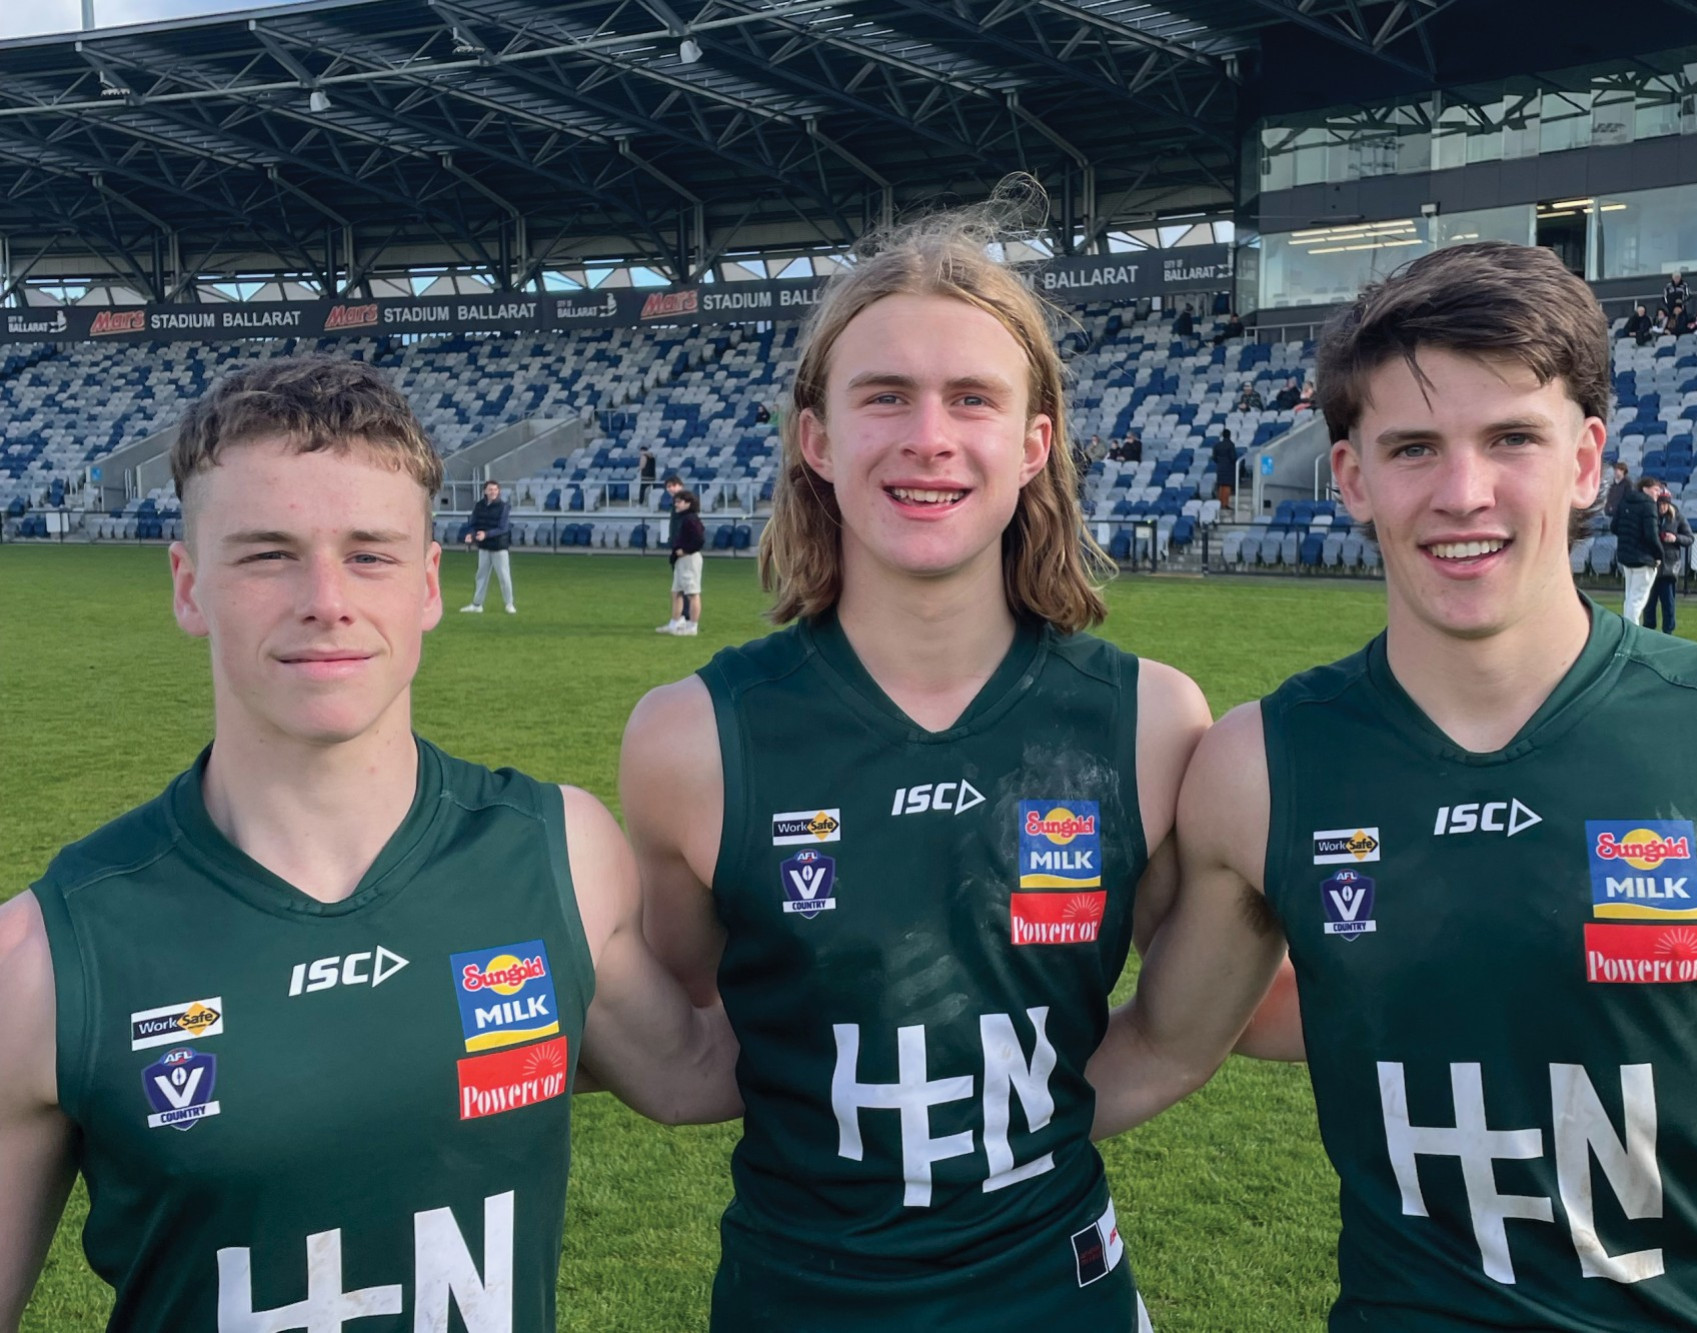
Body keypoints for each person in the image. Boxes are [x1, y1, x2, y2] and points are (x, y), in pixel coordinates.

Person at [1138, 240, 1697, 1333]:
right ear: (1352, 478)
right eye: (1413, 448)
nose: (1464, 494)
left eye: (1510, 437)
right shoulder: (1260, 762)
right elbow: (1213, 1023)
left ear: (1585, 458)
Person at [619, 200, 1266, 1332]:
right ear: (816, 441)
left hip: (1060, 1298)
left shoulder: (1155, 724)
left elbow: (1169, 1034)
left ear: (1032, 443)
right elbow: (708, 1031)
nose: (928, 436)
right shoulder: (687, 740)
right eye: (884, 396)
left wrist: (1012, 1128)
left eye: (972, 397)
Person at [0, 356, 741, 1331]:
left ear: (428, 585)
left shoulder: (556, 851)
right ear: (187, 586)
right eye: (267, 553)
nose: (326, 598)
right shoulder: (46, 959)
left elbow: (694, 1069)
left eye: (371, 553)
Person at [1614, 472, 1667, 623]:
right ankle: (1631, 633)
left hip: (1626, 557)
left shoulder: (1625, 501)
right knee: (1636, 600)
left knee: (1629, 598)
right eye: (1656, 489)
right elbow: (1651, 534)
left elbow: (1614, 527)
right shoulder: (1649, 505)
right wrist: (1659, 555)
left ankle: (1626, 628)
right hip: (1644, 559)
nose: (1659, 493)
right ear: (1646, 488)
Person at [460, 477, 516, 614]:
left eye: (495, 489)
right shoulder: (479, 506)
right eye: (490, 489)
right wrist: (471, 534)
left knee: (504, 576)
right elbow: (473, 524)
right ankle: (477, 604)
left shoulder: (504, 507)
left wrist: (486, 534)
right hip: (484, 547)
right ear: (485, 491)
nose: (493, 492)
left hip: (499, 547)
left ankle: (509, 604)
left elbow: (502, 528)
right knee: (481, 575)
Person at [1644, 485, 1694, 634]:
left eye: (1665, 504)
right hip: (1652, 564)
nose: (1662, 507)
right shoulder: (1650, 516)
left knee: (1668, 604)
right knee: (1649, 603)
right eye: (1660, 504)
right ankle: (1648, 629)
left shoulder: (1677, 518)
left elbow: (1690, 538)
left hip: (1669, 568)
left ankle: (1668, 631)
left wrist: (1675, 538)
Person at [660, 488, 706, 637]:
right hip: (681, 560)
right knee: (676, 592)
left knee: (693, 593)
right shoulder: (683, 518)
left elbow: (699, 540)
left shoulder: (691, 519)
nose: (676, 505)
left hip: (689, 559)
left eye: (679, 502)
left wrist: (685, 550)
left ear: (688, 503)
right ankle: (675, 623)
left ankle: (692, 626)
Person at [1213, 426, 1238, 511]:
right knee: (1227, 486)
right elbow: (1233, 457)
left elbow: (1214, 457)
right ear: (1229, 435)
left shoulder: (1218, 445)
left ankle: (1219, 503)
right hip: (1228, 468)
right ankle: (1225, 504)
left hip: (1220, 467)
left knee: (1221, 486)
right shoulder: (1230, 445)